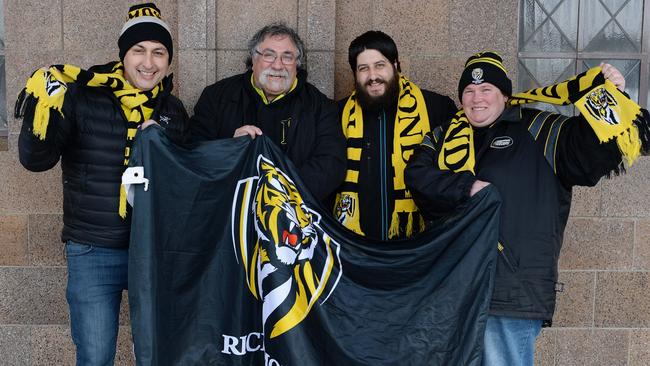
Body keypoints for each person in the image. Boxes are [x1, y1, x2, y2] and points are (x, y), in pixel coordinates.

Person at [405, 51, 650, 365]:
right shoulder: (443, 137)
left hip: (510, 292)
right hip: (453, 288)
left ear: (505, 95)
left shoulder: (539, 129)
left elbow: (589, 154)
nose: (476, 98)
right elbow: (418, 176)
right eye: (468, 91)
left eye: (486, 90)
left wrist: (607, 95)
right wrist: (468, 187)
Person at [15, 3, 188, 364]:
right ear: (123, 55)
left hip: (153, 251)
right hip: (93, 250)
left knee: (157, 355)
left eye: (159, 52)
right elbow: (35, 160)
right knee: (95, 355)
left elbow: (187, 179)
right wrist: (40, 108)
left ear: (168, 62)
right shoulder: (81, 97)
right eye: (138, 50)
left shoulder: (172, 111)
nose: (148, 62)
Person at [190, 23, 345, 202]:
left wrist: (278, 192)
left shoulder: (321, 106)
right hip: (231, 213)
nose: (278, 65)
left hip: (296, 215)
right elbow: (194, 153)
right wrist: (230, 148)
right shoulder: (216, 97)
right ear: (253, 61)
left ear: (297, 64)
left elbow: (331, 165)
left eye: (287, 57)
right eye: (269, 56)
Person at [332, 31, 457, 240]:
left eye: (380, 65)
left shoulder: (436, 108)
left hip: (419, 245)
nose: (373, 76)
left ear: (396, 65)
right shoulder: (337, 114)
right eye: (363, 68)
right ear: (355, 74)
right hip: (355, 245)